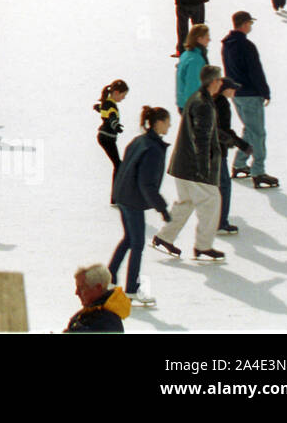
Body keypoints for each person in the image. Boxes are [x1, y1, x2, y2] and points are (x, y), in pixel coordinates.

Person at [153, 65, 227, 262]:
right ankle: (203, 246)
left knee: (186, 202)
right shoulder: (203, 104)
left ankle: (164, 237)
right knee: (212, 201)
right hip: (193, 167)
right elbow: (201, 138)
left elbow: (205, 133)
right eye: (219, 80)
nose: (221, 83)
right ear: (213, 82)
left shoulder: (197, 98)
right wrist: (203, 168)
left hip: (182, 164)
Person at [109, 106, 172, 307]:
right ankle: (132, 290)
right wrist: (161, 208)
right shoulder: (152, 149)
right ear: (158, 123)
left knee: (129, 239)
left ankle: (109, 278)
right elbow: (146, 183)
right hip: (133, 200)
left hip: (123, 196)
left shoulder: (139, 141)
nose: (170, 125)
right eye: (167, 121)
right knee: (137, 244)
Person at [222, 11, 277, 188]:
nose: (251, 26)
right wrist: (265, 91)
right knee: (258, 133)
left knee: (249, 130)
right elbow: (255, 71)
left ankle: (239, 164)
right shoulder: (247, 46)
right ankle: (258, 171)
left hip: (236, 94)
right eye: (250, 23)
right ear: (244, 24)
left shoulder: (227, 45)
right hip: (251, 94)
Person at [213, 77, 251, 236]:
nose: (234, 91)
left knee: (216, 186)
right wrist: (241, 144)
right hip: (217, 150)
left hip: (210, 150)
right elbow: (223, 130)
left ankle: (215, 220)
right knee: (224, 186)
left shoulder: (212, 100)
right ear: (224, 89)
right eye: (232, 88)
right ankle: (220, 223)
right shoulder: (221, 103)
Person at [63, 264, 129, 332]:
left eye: (82, 288)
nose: (76, 293)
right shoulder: (88, 314)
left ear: (98, 288)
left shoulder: (109, 321)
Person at [95, 80, 130, 203]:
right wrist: (116, 126)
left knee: (118, 164)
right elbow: (112, 117)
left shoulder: (107, 103)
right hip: (107, 138)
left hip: (105, 137)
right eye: (123, 95)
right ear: (116, 92)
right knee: (118, 165)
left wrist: (98, 108)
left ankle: (116, 195)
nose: (123, 98)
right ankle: (115, 198)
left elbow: (103, 109)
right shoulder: (111, 106)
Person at [175, 24, 209, 112]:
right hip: (191, 105)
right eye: (207, 37)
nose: (209, 40)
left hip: (183, 102)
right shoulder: (196, 59)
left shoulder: (186, 55)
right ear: (199, 39)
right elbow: (192, 84)